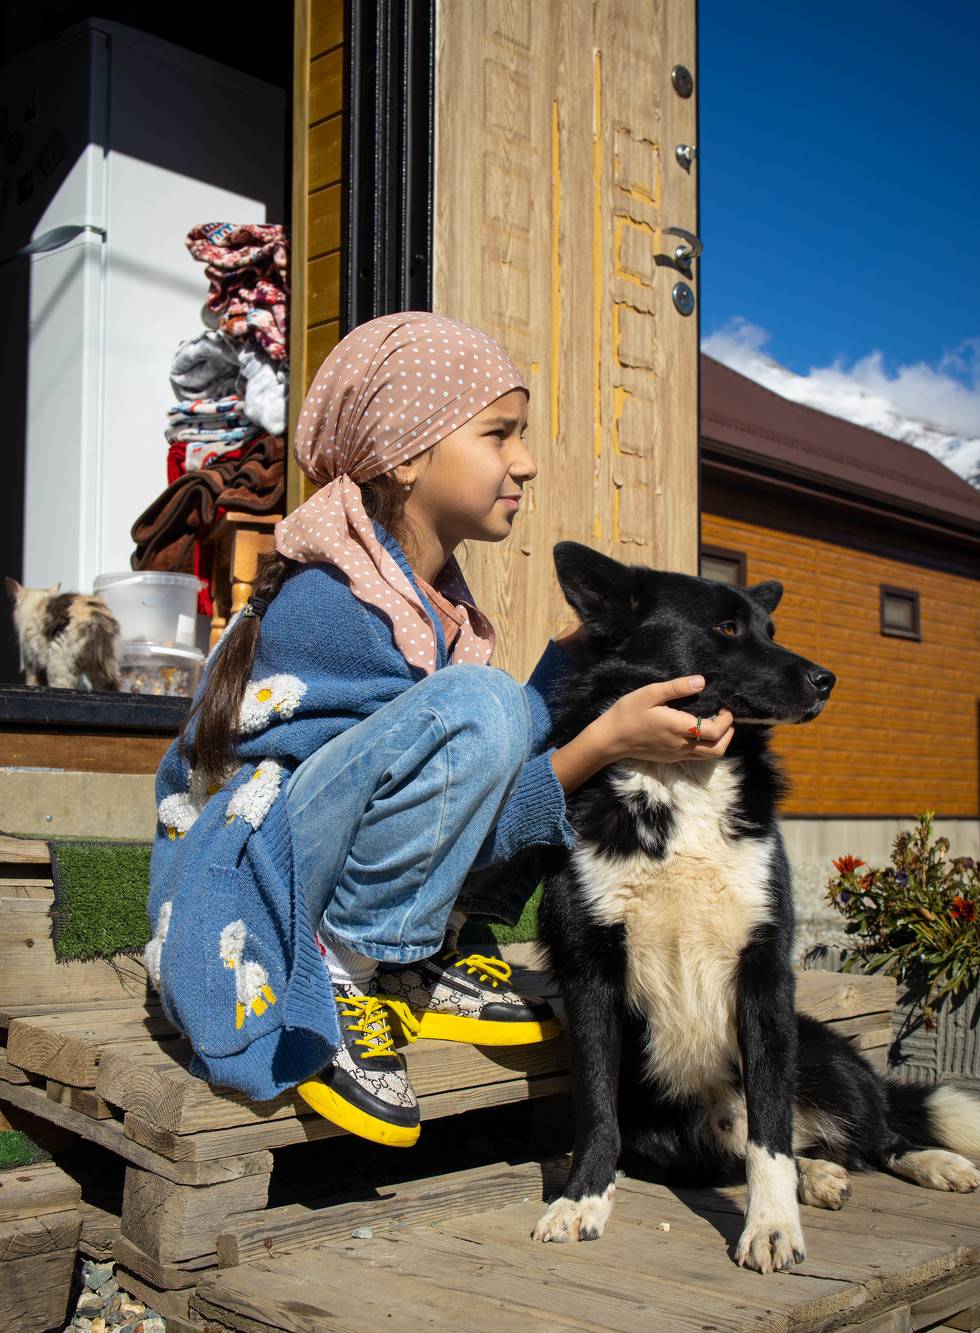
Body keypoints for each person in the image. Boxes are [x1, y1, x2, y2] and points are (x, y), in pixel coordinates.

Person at [145, 312, 733, 1148]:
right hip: (265, 893)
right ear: (406, 456)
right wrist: (602, 743)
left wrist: (576, 669)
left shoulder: (424, 603)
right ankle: (348, 971)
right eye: (499, 434)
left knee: (506, 712)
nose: (525, 461)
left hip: (311, 850)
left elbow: (448, 789)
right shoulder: (337, 608)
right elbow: (443, 794)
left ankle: (414, 953)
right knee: (487, 708)